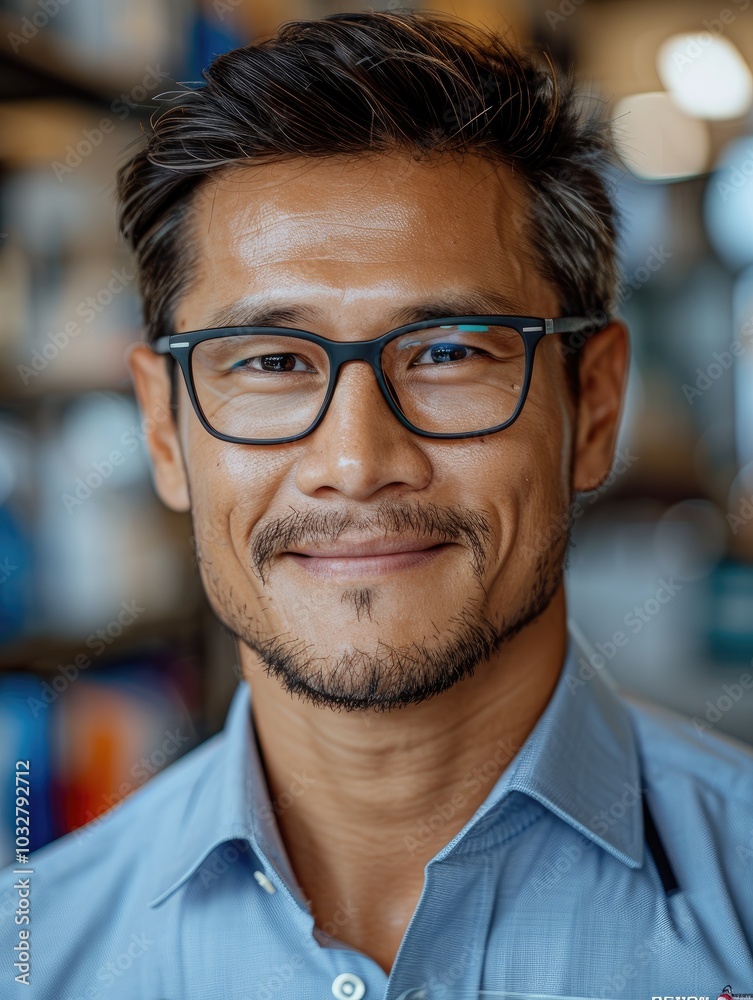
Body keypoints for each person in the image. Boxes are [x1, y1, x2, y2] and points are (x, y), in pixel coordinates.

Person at [3, 9, 752, 999]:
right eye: (269, 361)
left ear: (595, 403)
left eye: (447, 352)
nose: (356, 461)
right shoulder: (35, 954)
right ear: (163, 430)